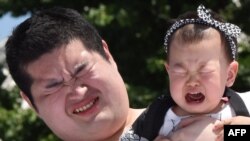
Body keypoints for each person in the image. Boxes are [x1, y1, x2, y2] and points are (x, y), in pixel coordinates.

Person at [5, 7, 144, 141]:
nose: (78, 91)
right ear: (31, 103)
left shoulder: (164, 119)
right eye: (54, 86)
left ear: (107, 56)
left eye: (81, 70)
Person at [122, 4, 250, 141]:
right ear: (169, 72)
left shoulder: (238, 112)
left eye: (205, 71)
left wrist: (237, 132)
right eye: (180, 72)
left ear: (229, 74)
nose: (192, 81)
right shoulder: (156, 116)